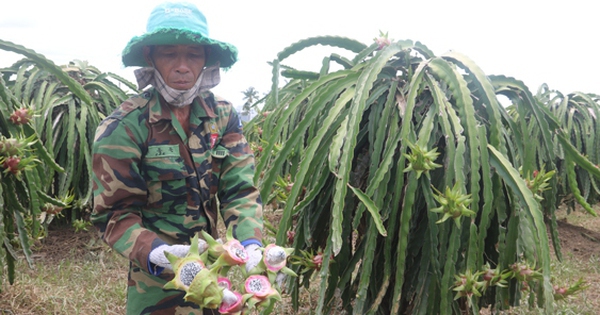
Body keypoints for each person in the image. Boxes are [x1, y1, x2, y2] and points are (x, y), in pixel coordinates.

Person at [90, 2, 264, 314]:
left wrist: (251, 242)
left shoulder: (222, 116)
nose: (182, 66)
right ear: (150, 57)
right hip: (156, 283)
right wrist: (157, 252)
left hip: (213, 269)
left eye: (193, 55)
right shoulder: (125, 127)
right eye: (170, 54)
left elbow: (239, 188)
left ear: (206, 61)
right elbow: (114, 214)